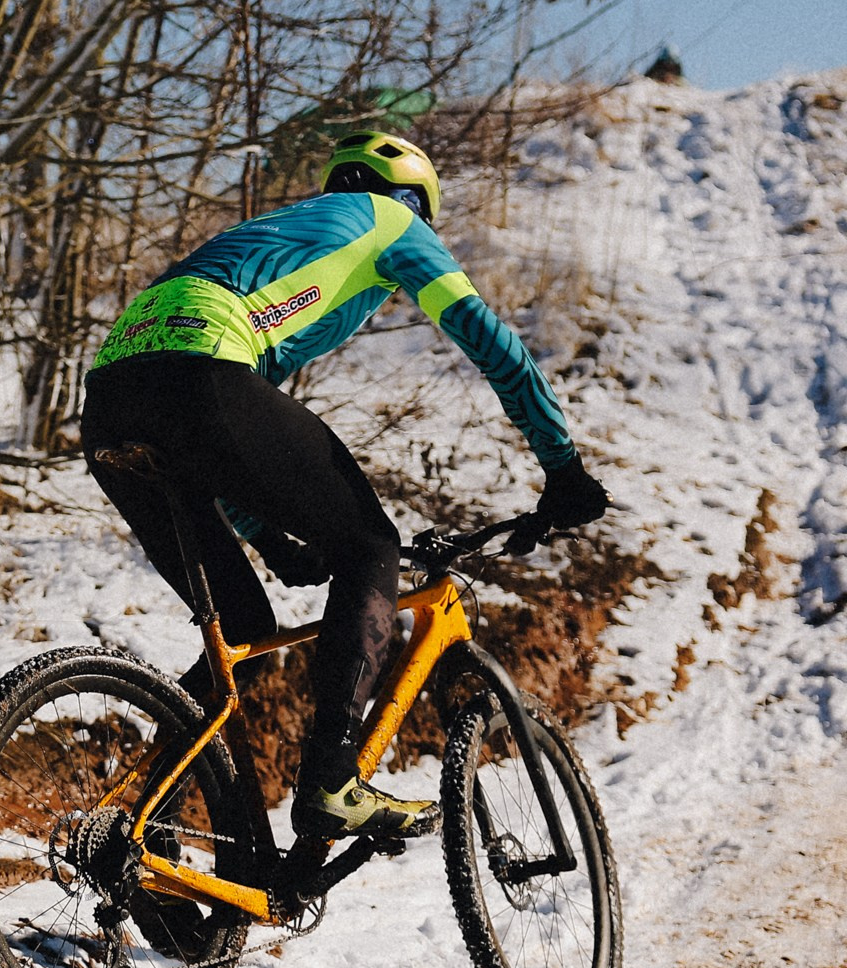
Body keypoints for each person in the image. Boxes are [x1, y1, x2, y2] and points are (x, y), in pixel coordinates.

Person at [81, 131, 607, 842]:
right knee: (369, 544)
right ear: (414, 200)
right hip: (203, 371)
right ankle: (333, 779)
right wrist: (562, 467)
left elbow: (222, 442)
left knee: (245, 632)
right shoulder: (393, 221)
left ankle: (141, 834)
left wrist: (271, 538)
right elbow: (495, 347)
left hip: (110, 401)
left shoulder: (273, 237)